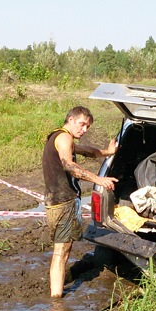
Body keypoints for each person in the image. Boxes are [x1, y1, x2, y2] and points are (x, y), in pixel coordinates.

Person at [42, 105, 117, 298]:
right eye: (82, 124)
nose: (84, 130)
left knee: (62, 249)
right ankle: (56, 299)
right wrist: (98, 179)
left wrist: (107, 152)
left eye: (87, 127)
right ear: (71, 119)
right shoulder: (65, 137)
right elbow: (69, 166)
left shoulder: (59, 137)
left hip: (56, 201)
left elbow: (88, 151)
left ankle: (55, 293)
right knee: (61, 251)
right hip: (63, 202)